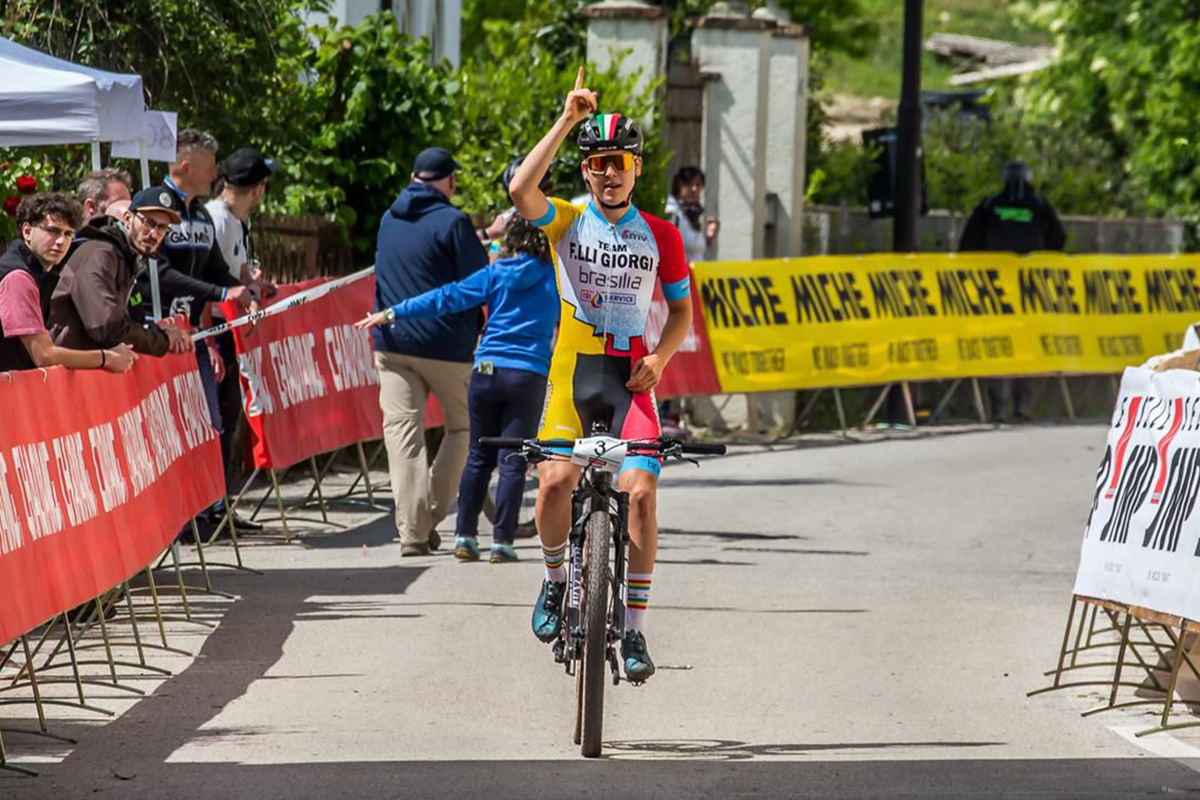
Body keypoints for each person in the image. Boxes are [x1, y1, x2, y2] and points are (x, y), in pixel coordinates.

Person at [508, 69, 693, 681]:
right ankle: (556, 580)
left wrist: (661, 359)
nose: (606, 171)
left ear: (637, 167)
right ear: (584, 171)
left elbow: (683, 312)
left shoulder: (662, 235)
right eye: (595, 163)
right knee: (556, 480)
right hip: (574, 373)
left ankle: (635, 631)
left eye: (617, 161)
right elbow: (518, 189)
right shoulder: (566, 220)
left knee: (641, 491)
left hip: (631, 379)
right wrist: (566, 120)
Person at [358, 213, 558, 562]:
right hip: (527, 374)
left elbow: (447, 297)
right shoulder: (554, 278)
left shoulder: (496, 274)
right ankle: (502, 543)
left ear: (509, 239)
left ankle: (465, 537)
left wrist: (394, 313)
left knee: (478, 456)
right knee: (512, 460)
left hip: (486, 370)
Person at [372, 146, 489, 557]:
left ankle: (412, 533)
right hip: (445, 346)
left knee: (403, 435)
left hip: (392, 343)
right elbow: (482, 280)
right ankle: (429, 516)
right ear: (449, 181)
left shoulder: (388, 218)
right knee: (463, 430)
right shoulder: (454, 222)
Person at [959, 161, 1067, 422]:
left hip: (994, 291)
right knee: (1029, 344)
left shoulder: (989, 205)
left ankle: (998, 408)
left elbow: (967, 244)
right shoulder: (1039, 205)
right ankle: (1024, 406)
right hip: (1031, 291)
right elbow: (1059, 239)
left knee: (998, 345)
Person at [50, 187, 194, 358]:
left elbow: (117, 323)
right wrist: (163, 340)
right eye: (148, 222)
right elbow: (107, 328)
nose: (154, 233)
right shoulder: (100, 254)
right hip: (64, 371)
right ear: (127, 219)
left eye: (162, 228)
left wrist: (157, 332)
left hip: (83, 366)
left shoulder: (123, 255)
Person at [0, 193, 136, 373]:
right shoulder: (18, 277)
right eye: (52, 231)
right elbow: (44, 355)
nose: (61, 241)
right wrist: (106, 358)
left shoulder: (40, 271)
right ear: (27, 231)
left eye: (68, 233)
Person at [665, 166, 719, 263]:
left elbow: (694, 250)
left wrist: (708, 237)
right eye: (689, 184)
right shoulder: (671, 213)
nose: (694, 189)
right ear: (678, 186)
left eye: (698, 185)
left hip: (695, 276)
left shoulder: (693, 213)